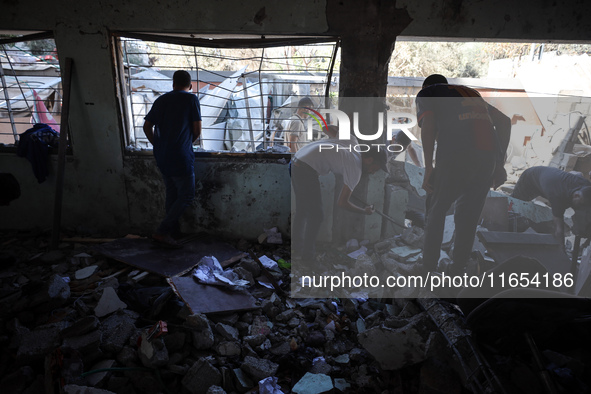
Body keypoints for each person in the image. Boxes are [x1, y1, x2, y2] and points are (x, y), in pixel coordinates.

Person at [416, 74, 510, 274]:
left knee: (435, 211)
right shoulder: (470, 94)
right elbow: (504, 121)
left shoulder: (428, 93)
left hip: (454, 158)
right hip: (486, 162)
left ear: (426, 86)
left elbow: (429, 124)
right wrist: (499, 165)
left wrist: (428, 167)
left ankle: (428, 269)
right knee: (467, 216)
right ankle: (457, 269)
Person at [291, 125, 386, 260]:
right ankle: (308, 258)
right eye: (375, 168)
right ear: (369, 160)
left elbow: (325, 128)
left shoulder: (353, 141)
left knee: (302, 210)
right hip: (306, 169)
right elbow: (342, 203)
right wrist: (364, 211)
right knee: (317, 216)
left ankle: (297, 248)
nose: (373, 172)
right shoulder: (355, 169)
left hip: (297, 160)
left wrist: (342, 129)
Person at [143, 70, 202, 248]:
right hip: (180, 156)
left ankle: (172, 232)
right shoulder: (191, 99)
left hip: (162, 156)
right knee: (187, 195)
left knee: (172, 193)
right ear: (190, 86)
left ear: (173, 84)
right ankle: (162, 231)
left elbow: (147, 127)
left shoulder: (161, 100)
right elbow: (197, 130)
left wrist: (158, 145)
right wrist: (184, 144)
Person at [512, 166, 591, 245]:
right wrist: (562, 251)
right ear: (576, 196)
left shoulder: (586, 185)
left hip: (548, 178)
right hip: (530, 178)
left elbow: (577, 173)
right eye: (580, 204)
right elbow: (559, 230)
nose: (581, 207)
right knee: (513, 205)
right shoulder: (557, 197)